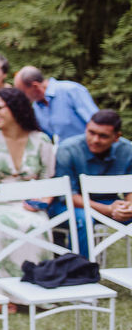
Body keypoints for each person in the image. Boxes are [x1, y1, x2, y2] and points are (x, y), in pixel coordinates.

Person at [0, 88, 56, 285]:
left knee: (38, 224)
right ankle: (0, 289)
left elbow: (48, 180)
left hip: (27, 203)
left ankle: (36, 283)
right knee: (2, 224)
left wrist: (42, 202)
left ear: (17, 108)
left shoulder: (40, 140)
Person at [54, 110, 132, 257]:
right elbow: (68, 196)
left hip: (109, 201)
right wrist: (108, 210)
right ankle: (79, 271)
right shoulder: (68, 149)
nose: (95, 139)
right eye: (91, 132)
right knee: (83, 219)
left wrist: (129, 207)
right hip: (71, 205)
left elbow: (130, 188)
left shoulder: (127, 150)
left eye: (103, 136)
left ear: (116, 137)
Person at [14, 66, 98, 141]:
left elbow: (97, 124)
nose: (21, 97)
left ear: (35, 86)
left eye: (22, 92)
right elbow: (47, 137)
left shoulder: (71, 90)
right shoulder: (37, 107)